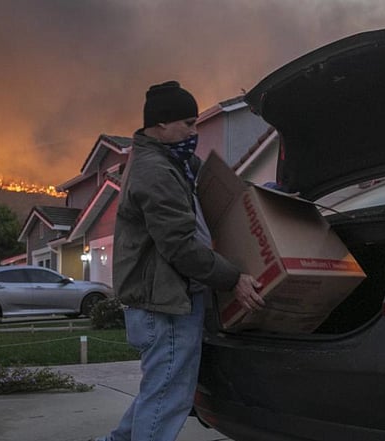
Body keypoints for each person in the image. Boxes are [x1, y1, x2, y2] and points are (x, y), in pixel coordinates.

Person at [93, 81, 265, 441]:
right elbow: (180, 247)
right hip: (166, 305)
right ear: (160, 125)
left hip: (167, 299)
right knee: (167, 398)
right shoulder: (156, 172)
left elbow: (218, 188)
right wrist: (233, 277)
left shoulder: (173, 161)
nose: (194, 132)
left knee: (159, 390)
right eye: (187, 124)